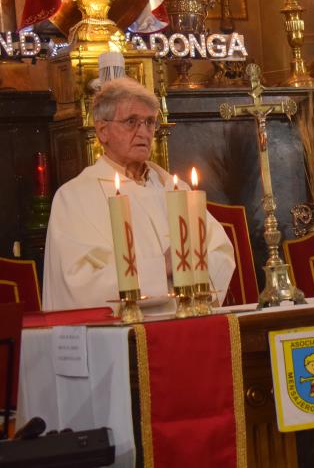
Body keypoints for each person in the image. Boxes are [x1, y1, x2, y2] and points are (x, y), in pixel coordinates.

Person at [43, 77, 235, 311]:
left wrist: (192, 268)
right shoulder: (75, 198)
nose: (143, 132)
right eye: (131, 121)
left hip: (188, 323)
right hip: (126, 338)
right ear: (102, 130)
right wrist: (160, 267)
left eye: (150, 122)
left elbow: (220, 251)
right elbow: (77, 283)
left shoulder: (175, 189)